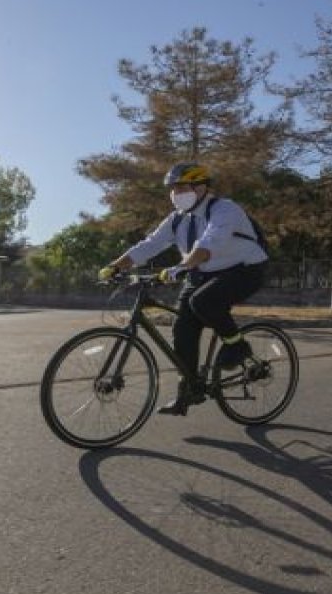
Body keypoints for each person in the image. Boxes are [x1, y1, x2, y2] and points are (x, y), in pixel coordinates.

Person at [99, 162, 269, 416]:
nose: (176, 194)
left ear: (201, 187)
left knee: (203, 302)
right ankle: (189, 389)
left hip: (245, 268)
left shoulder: (224, 209)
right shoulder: (178, 219)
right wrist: (115, 266)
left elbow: (208, 243)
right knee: (183, 327)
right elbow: (151, 244)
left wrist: (180, 267)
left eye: (182, 187)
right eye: (173, 189)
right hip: (201, 271)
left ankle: (237, 346)